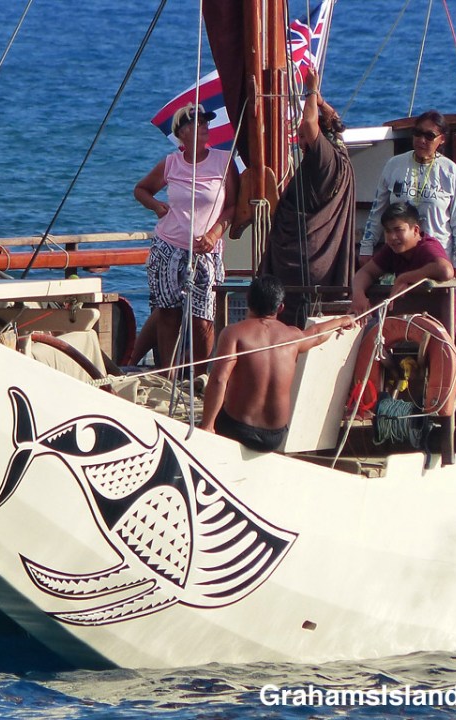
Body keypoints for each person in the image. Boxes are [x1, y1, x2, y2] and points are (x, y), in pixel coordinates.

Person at [134, 102, 238, 376]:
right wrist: (157, 207)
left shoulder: (222, 162)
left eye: (206, 122)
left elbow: (233, 206)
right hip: (167, 248)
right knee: (168, 314)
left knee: (203, 319)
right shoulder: (170, 163)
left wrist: (216, 233)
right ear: (182, 133)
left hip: (206, 253)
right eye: (198, 123)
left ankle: (200, 378)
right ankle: (169, 376)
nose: (205, 126)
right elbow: (141, 190)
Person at [200, 274, 355, 452]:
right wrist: (343, 320)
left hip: (237, 429)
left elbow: (219, 379)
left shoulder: (233, 333)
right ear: (280, 307)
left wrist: (208, 426)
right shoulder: (293, 336)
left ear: (248, 300)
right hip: (274, 436)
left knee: (211, 418)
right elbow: (318, 333)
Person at [260, 69, 355, 328]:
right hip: (316, 261)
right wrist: (322, 103)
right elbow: (331, 120)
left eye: (301, 137)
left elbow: (312, 125)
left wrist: (311, 90)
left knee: (287, 323)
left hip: (300, 261)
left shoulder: (323, 160)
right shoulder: (341, 155)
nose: (300, 142)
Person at [359, 109, 456, 280]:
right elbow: (377, 211)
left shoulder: (450, 171)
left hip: (437, 258)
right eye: (417, 133)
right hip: (402, 255)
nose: (421, 140)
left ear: (442, 139)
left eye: (429, 135)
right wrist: (366, 248)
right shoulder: (394, 165)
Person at [350, 202, 454, 317]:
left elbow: (446, 271)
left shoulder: (427, 247)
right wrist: (358, 296)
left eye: (398, 230)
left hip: (435, 322)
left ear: (415, 230)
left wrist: (404, 278)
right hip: (406, 321)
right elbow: (365, 272)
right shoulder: (391, 250)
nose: (392, 237)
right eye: (388, 231)